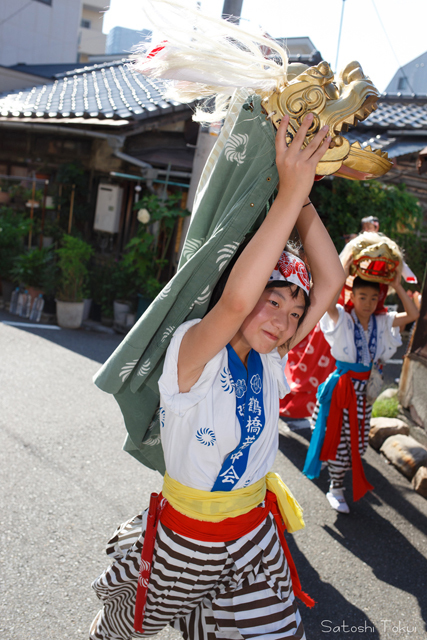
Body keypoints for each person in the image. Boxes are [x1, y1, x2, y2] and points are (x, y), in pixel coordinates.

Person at [90, 114, 345, 640]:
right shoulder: (192, 351)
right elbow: (232, 303)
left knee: (273, 632)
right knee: (121, 631)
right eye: (273, 300)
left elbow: (333, 279)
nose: (284, 320)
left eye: (295, 313)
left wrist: (300, 185)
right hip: (185, 542)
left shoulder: (271, 356)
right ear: (248, 290)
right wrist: (285, 193)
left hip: (254, 536)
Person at [303, 256, 420, 514]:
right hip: (343, 387)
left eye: (373, 298)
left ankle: (332, 470)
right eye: (362, 296)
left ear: (380, 299)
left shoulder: (382, 321)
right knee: (339, 439)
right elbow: (328, 303)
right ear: (352, 296)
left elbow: (413, 314)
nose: (367, 303)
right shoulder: (343, 318)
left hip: (365, 393)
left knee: (356, 443)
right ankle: (336, 488)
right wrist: (343, 273)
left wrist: (397, 285)